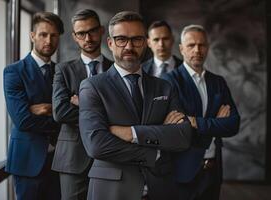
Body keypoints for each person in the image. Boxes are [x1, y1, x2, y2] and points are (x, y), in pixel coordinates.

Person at [79, 11, 193, 200]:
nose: (129, 46)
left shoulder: (164, 86)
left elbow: (182, 136)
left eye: (136, 39)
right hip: (112, 190)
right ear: (110, 43)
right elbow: (96, 144)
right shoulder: (92, 86)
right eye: (121, 39)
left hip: (160, 188)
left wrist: (132, 133)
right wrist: (154, 151)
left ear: (145, 43)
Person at [162, 24, 240, 200]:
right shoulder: (169, 81)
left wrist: (196, 122)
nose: (197, 50)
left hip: (213, 172)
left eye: (202, 45)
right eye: (191, 45)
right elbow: (178, 129)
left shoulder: (218, 82)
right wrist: (216, 124)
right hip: (183, 171)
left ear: (207, 47)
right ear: (181, 49)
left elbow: (234, 124)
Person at [51, 9, 113, 200]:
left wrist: (83, 104)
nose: (88, 37)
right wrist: (102, 110)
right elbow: (60, 112)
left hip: (110, 155)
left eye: (92, 31)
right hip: (72, 157)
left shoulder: (115, 69)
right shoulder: (63, 69)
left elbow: (126, 112)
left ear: (102, 31)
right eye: (81, 33)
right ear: (74, 37)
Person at [3, 12, 64, 200]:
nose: (49, 40)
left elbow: (72, 113)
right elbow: (22, 120)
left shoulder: (62, 71)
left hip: (58, 161)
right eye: (43, 34)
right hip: (28, 160)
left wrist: (44, 109)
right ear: (32, 36)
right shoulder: (14, 71)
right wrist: (57, 115)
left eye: (54, 35)